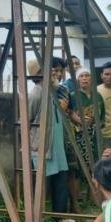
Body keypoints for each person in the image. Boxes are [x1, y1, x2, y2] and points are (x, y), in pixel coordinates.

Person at [28, 58, 69, 213]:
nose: (53, 72)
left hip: (57, 147)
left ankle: (59, 218)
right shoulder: (36, 94)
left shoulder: (53, 91)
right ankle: (41, 220)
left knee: (60, 182)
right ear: (39, 74)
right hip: (44, 147)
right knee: (43, 185)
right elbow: (26, 121)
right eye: (48, 70)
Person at [66, 67, 105, 213]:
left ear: (92, 78)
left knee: (93, 168)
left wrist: (95, 123)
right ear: (77, 79)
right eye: (81, 76)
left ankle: (92, 199)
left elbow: (102, 118)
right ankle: (75, 203)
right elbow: (68, 113)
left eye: (87, 75)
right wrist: (77, 119)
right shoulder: (72, 96)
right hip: (77, 137)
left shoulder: (97, 96)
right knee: (76, 169)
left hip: (94, 137)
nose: (84, 78)